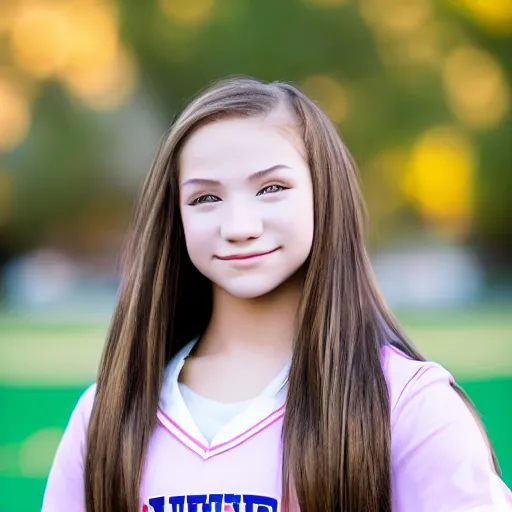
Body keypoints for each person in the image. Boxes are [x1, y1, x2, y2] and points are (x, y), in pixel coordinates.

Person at [42, 77, 512, 512]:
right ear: (175, 217)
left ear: (322, 195)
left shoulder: (408, 406)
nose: (240, 227)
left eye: (271, 188)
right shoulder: (106, 417)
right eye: (205, 198)